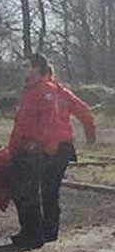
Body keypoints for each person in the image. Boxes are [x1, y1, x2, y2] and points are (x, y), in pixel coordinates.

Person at [7, 53, 61, 249]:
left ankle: (33, 233)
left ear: (37, 69)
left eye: (27, 66)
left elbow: (47, 120)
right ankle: (27, 229)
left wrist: (36, 142)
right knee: (17, 188)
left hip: (34, 149)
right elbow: (20, 121)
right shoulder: (27, 92)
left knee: (29, 190)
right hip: (21, 147)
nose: (24, 70)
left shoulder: (46, 90)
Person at [42, 66, 96, 242]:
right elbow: (84, 112)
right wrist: (90, 135)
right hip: (62, 146)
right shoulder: (63, 93)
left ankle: (49, 229)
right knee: (50, 188)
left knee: (48, 187)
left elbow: (84, 112)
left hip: (54, 146)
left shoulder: (43, 93)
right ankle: (49, 228)